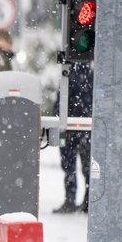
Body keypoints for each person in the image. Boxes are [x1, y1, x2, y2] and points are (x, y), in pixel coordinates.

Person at [53, 62, 94, 213]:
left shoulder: (68, 73)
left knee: (69, 166)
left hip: (69, 126)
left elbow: (62, 100)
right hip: (86, 127)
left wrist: (59, 120)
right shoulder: (90, 74)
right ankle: (89, 202)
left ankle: (70, 200)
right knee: (88, 167)